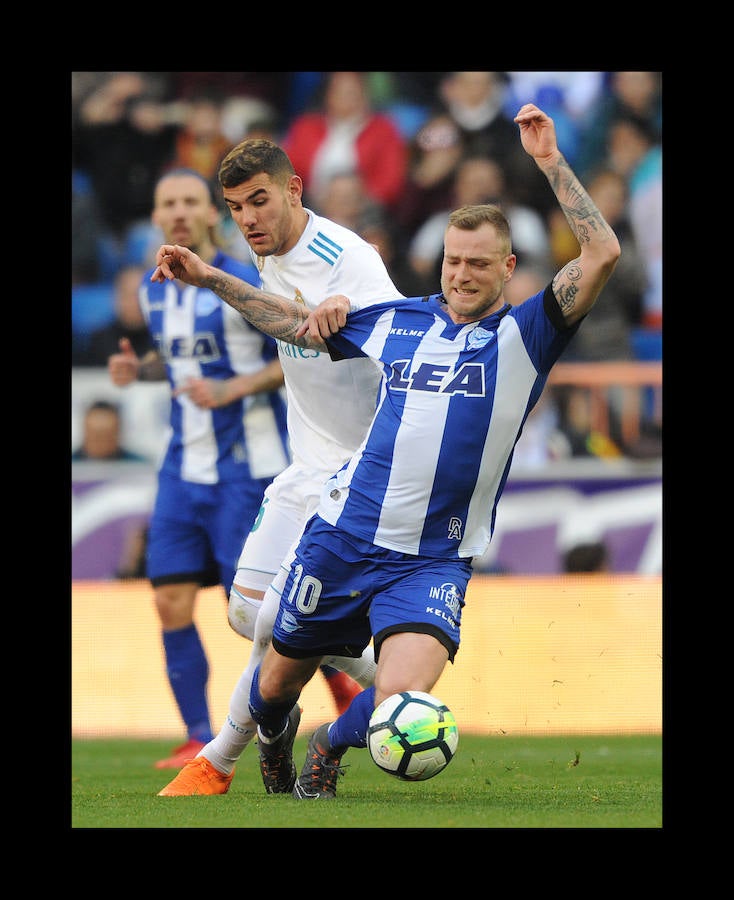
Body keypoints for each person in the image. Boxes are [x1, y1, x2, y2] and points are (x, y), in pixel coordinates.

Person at [151, 103, 621, 800]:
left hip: (434, 557)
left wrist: (549, 161)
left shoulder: (528, 335)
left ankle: (328, 744)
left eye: (479, 264)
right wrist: (215, 280)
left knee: (402, 695)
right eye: (453, 261)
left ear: (508, 267)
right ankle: (271, 738)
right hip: (345, 534)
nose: (462, 274)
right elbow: (296, 329)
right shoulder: (402, 321)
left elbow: (602, 254)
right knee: (272, 667)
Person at [156, 138, 406, 797]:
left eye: (260, 201)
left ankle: (218, 760)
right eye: (236, 207)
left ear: (296, 189)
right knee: (247, 611)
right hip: (306, 463)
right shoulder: (259, 253)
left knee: (275, 622)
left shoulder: (346, 257)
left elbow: (398, 336)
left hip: (360, 468)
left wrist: (352, 313)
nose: (248, 218)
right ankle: (389, 671)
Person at [107, 167, 292, 770]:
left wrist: (239, 387)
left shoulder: (244, 280)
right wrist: (143, 374)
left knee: (254, 614)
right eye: (169, 203)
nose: (180, 212)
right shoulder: (152, 288)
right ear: (157, 218)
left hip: (249, 468)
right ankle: (195, 733)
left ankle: (345, 683)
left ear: (212, 213)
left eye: (191, 201)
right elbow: (182, 363)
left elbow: (296, 357)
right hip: (182, 470)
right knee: (170, 601)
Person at [75, 264, 154, 367]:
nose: (134, 302)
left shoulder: (163, 339)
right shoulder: (98, 341)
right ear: (116, 297)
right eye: (127, 294)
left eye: (139, 294)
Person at [71, 399, 148, 461]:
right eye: (96, 437)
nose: (100, 445)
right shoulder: (74, 464)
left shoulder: (137, 465)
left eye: (106, 437)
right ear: (85, 432)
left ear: (118, 433)